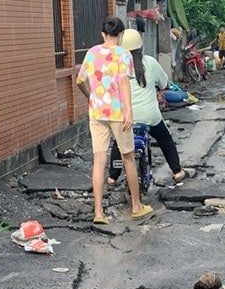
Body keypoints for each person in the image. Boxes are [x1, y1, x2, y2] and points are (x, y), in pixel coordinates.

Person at [76, 15, 152, 224]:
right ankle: (136, 206)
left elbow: (79, 80)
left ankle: (99, 213)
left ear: (103, 34)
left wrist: (90, 96)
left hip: (97, 113)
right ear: (120, 35)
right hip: (117, 113)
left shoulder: (92, 53)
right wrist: (129, 111)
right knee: (128, 157)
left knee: (99, 161)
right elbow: (124, 83)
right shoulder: (123, 54)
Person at [107, 28, 187, 186]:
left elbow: (111, 92)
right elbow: (164, 83)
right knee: (166, 140)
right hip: (150, 116)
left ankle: (112, 177)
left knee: (119, 142)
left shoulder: (115, 66)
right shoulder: (150, 62)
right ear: (141, 47)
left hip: (126, 116)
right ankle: (177, 171)